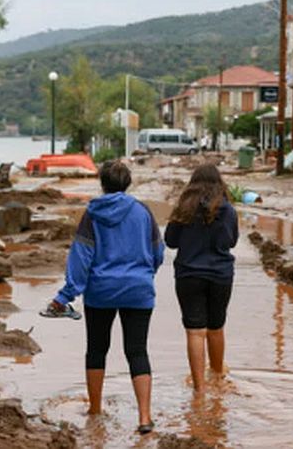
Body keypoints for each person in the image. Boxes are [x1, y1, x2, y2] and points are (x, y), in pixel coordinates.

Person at [45, 160, 164, 434]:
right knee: (137, 351)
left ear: (103, 183)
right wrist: (144, 275)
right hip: (139, 290)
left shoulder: (92, 213)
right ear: (127, 183)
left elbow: (81, 257)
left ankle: (95, 409)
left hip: (100, 292)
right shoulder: (143, 211)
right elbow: (158, 251)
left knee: (97, 350)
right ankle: (145, 417)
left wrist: (65, 295)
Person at [164, 164, 238, 392]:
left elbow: (171, 241)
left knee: (195, 331)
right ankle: (217, 377)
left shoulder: (184, 209)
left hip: (189, 274)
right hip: (220, 275)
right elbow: (232, 241)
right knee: (216, 328)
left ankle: (199, 389)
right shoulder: (228, 210)